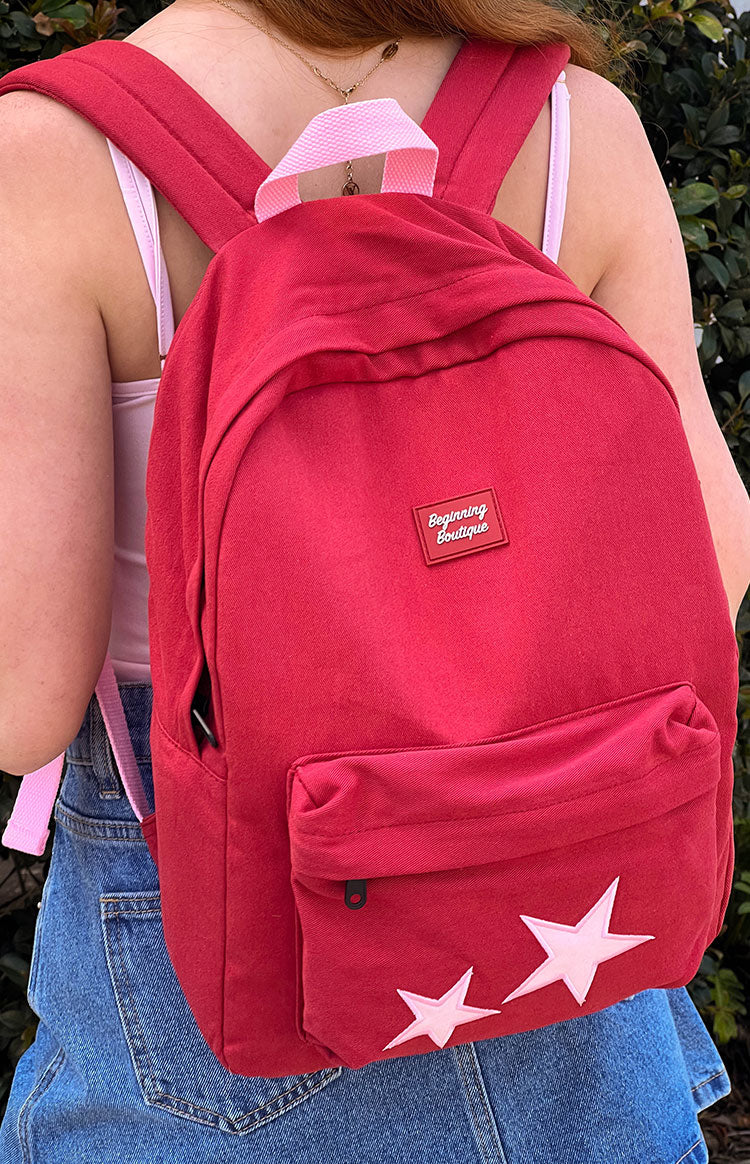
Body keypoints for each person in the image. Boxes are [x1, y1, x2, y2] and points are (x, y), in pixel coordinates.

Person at [1, 0, 749, 1159]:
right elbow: (716, 550)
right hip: (575, 905)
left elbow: (22, 700)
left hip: (235, 922)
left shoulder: (56, 156)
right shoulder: (572, 124)